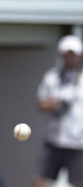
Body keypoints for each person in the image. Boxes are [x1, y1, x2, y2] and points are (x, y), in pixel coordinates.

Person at [32, 35, 83, 187]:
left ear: (80, 55)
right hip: (54, 140)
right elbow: (40, 103)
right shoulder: (52, 77)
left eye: (73, 54)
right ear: (60, 55)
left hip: (79, 143)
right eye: (66, 54)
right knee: (38, 181)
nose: (69, 58)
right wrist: (52, 104)